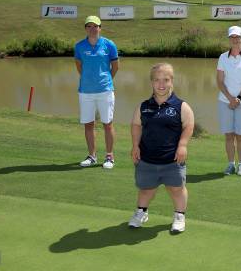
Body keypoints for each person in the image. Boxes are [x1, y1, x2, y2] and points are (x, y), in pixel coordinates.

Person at [129, 63, 195, 234]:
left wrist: (182, 145)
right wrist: (135, 145)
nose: (161, 84)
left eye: (165, 80)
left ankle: (179, 216)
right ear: (151, 82)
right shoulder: (143, 106)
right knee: (145, 190)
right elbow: (136, 125)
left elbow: (189, 125)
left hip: (172, 161)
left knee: (176, 189)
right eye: (157, 80)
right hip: (147, 160)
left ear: (172, 81)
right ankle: (141, 213)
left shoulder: (180, 106)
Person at [74, 15, 119, 169]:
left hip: (105, 91)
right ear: (85, 28)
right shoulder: (79, 46)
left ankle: (109, 156)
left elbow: (115, 67)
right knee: (88, 124)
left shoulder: (109, 45)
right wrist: (89, 80)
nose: (92, 29)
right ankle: (92, 156)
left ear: (100, 27)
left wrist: (106, 80)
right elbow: (79, 67)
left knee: (107, 124)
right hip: (85, 92)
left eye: (95, 26)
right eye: (89, 26)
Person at [216, 26, 241, 176]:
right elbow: (220, 81)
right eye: (231, 37)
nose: (234, 40)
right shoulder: (222, 57)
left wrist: (238, 99)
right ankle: (230, 164)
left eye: (237, 37)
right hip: (225, 101)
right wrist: (230, 99)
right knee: (228, 135)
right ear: (229, 39)